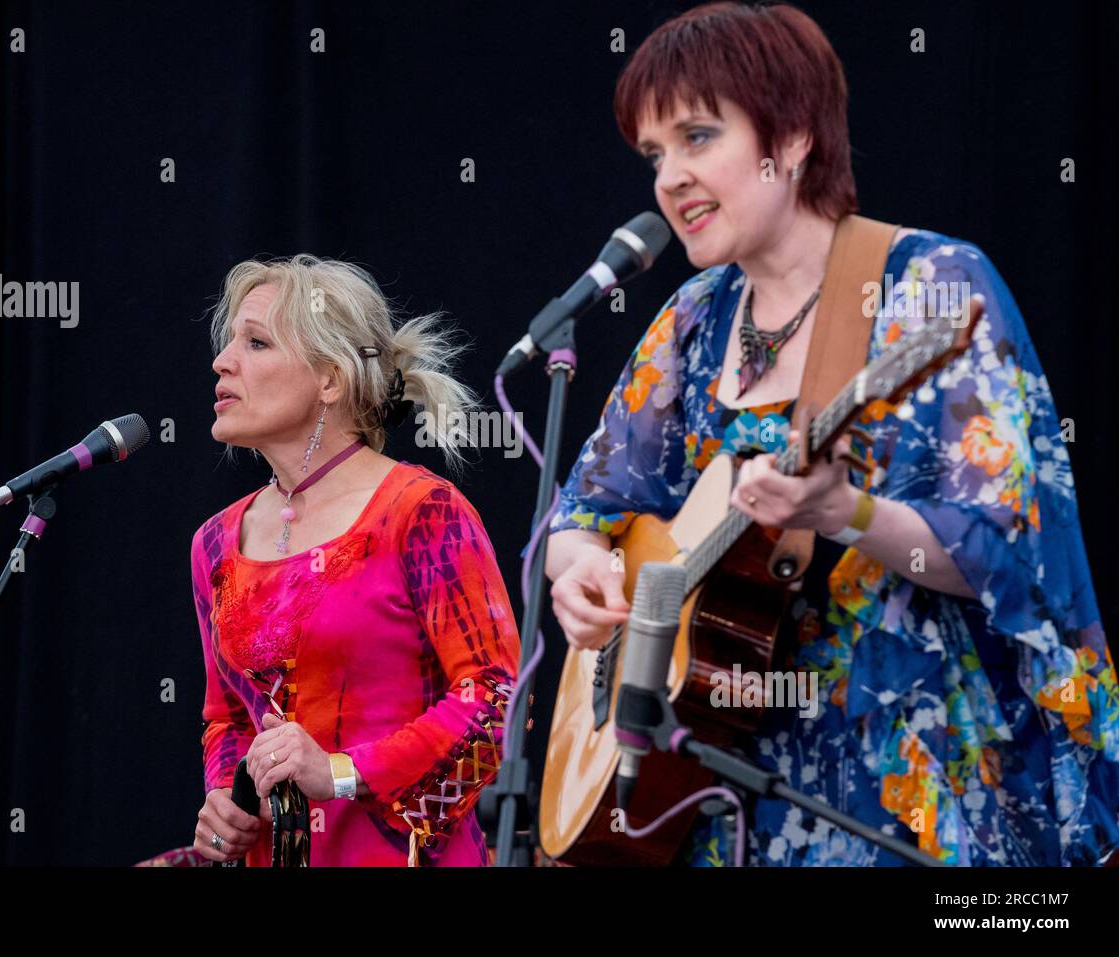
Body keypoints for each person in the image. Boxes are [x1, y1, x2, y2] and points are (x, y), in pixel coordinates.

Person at [544, 2, 1119, 866]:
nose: (668, 178)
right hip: (718, 798)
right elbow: (584, 508)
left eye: (698, 137)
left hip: (897, 788)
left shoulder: (926, 284)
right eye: (655, 154)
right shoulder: (694, 319)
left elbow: (1010, 555)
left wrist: (846, 512)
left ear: (795, 137)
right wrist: (580, 569)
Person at [138, 254, 519, 867]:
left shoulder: (421, 511)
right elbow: (227, 717)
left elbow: (497, 700)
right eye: (230, 341)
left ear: (331, 380)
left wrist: (340, 772)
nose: (222, 361)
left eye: (256, 342)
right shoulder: (214, 540)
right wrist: (224, 798)